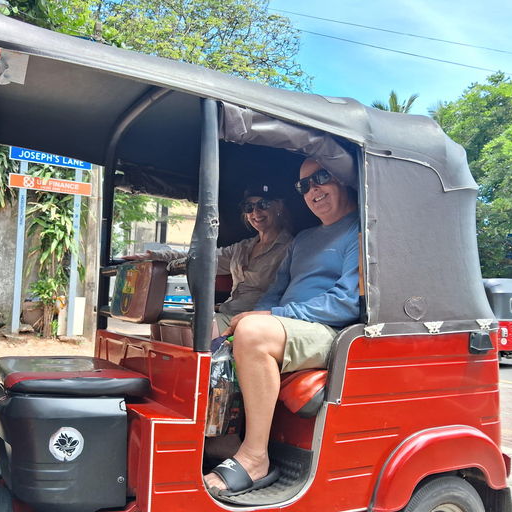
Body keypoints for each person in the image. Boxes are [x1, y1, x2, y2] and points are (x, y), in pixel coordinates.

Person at [204, 157, 360, 498]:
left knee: (254, 332)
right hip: (290, 324)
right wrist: (256, 314)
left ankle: (256, 458)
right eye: (304, 185)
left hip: (332, 331)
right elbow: (275, 291)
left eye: (321, 178)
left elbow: (348, 302)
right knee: (216, 328)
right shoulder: (303, 239)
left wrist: (268, 318)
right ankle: (222, 436)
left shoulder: (360, 230)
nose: (313, 189)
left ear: (344, 180)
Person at [123, 183, 294, 331]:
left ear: (278, 207)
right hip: (227, 312)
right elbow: (200, 257)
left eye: (262, 204)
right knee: (163, 319)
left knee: (192, 326)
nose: (255, 212)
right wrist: (152, 256)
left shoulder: (291, 248)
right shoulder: (243, 247)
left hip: (254, 320)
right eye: (249, 207)